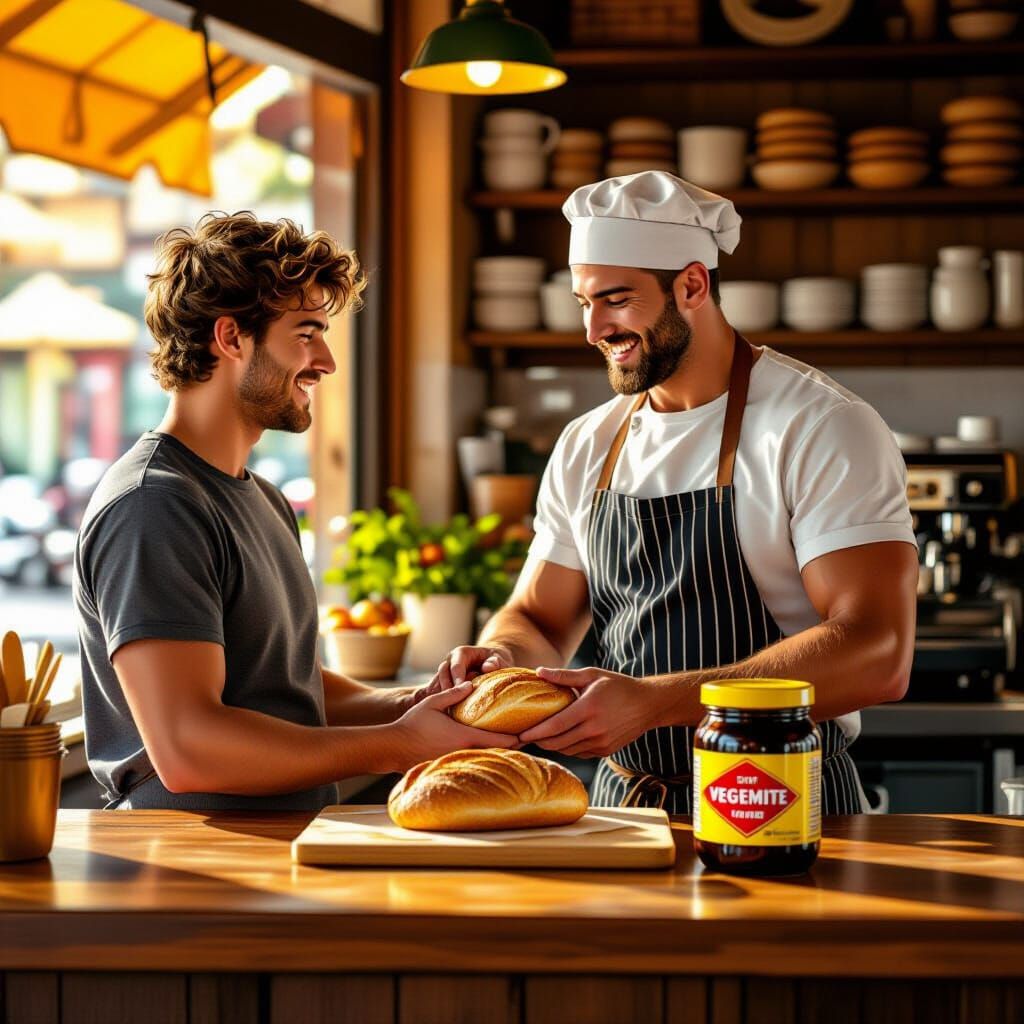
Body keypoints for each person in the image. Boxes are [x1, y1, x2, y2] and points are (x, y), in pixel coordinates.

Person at [431, 172, 918, 813]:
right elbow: (540, 618)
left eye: (617, 300)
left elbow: (876, 651)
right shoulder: (588, 443)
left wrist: (654, 702)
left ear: (691, 285)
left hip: (780, 799)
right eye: (584, 302)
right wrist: (501, 656)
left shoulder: (820, 426)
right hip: (622, 811)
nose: (593, 329)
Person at [74, 212, 513, 810]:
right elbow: (187, 747)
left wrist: (423, 703)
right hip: (198, 870)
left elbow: (284, 685)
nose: (327, 362)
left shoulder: (261, 498)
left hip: (282, 852)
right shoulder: (154, 506)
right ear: (230, 338)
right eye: (306, 333)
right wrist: (398, 745)